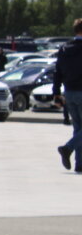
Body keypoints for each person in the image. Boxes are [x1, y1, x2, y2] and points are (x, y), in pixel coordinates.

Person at [51, 19, 82, 172]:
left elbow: (57, 72)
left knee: (78, 128)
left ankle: (80, 164)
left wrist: (56, 93)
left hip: (69, 92)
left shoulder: (64, 48)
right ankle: (67, 148)